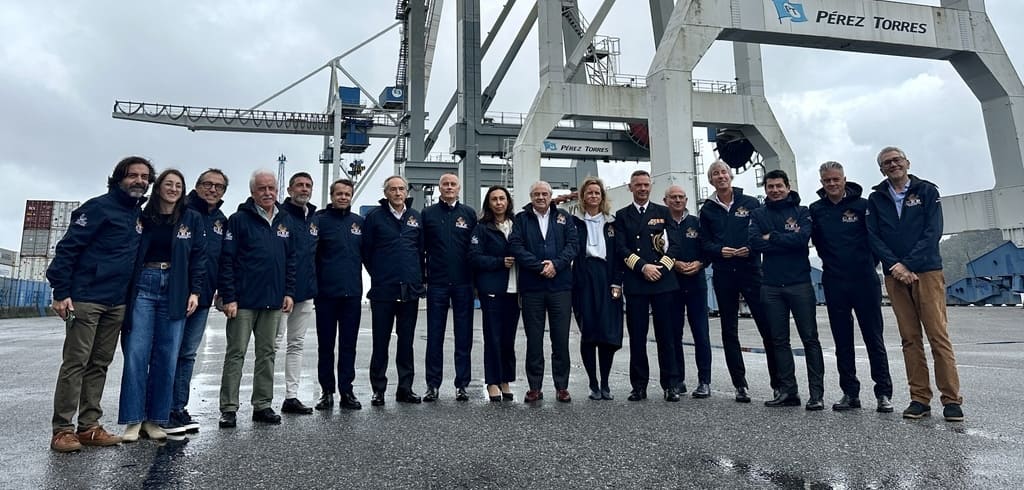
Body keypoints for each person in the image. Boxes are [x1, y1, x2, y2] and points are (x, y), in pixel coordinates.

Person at [46, 156, 153, 452]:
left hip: (116, 302)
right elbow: (68, 248)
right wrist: (60, 290)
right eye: (133, 175)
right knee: (75, 363)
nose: (140, 181)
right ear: (119, 178)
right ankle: (62, 430)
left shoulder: (138, 216)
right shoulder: (98, 208)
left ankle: (89, 426)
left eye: (145, 177)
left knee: (100, 364)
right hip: (86, 298)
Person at [866, 146, 964, 422]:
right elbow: (874, 236)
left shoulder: (927, 192)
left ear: (907, 162)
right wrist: (895, 266)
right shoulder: (876, 199)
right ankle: (919, 398)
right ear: (881, 169)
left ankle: (952, 400)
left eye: (897, 160)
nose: (893, 165)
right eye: (887, 163)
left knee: (938, 336)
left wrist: (907, 264)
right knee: (910, 339)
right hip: (895, 276)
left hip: (926, 272)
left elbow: (933, 231)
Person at [118, 169, 206, 441]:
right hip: (145, 282)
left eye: (178, 185)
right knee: (136, 352)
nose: (173, 188)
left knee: (167, 356)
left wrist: (195, 291)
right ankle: (133, 420)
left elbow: (199, 257)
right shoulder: (141, 216)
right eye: (168, 184)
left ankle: (156, 419)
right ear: (158, 188)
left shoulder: (191, 218)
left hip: (176, 287)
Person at [809, 161, 894, 413]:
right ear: (822, 182)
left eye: (836, 179)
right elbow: (817, 242)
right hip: (834, 281)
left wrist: (865, 264)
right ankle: (850, 392)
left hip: (864, 279)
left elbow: (875, 239)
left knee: (873, 338)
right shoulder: (816, 209)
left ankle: (883, 393)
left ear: (844, 179)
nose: (832, 184)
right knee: (842, 341)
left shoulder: (863, 206)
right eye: (827, 180)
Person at [217, 169, 296, 428]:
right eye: (262, 188)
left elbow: (291, 260)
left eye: (271, 188)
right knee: (236, 353)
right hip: (243, 301)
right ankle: (228, 408)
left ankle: (262, 404)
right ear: (252, 192)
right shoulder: (239, 220)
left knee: (267, 353)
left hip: (273, 300)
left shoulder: (285, 221)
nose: (267, 193)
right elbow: (226, 260)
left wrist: (289, 292)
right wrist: (229, 296)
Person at [698, 160, 778, 403]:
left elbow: (763, 234)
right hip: (724, 273)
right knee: (729, 330)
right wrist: (720, 250)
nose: (720, 176)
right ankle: (740, 384)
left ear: (730, 176)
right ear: (710, 180)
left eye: (723, 172)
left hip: (751, 271)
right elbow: (705, 242)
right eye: (715, 174)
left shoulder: (750, 203)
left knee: (767, 326)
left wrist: (750, 249)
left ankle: (779, 384)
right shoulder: (708, 210)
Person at [748, 169, 826, 410]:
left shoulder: (802, 212)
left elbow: (802, 240)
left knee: (810, 339)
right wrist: (780, 240)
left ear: (788, 186)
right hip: (771, 286)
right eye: (770, 186)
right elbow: (754, 243)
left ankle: (816, 394)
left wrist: (772, 237)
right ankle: (788, 392)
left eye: (779, 186)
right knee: (778, 341)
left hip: (799, 283)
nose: (775, 190)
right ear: (765, 189)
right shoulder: (758, 213)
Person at [168, 168, 229, 433]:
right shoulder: (179, 210)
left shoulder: (221, 220)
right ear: (196, 185)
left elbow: (225, 259)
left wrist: (223, 291)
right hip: (174, 294)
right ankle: (160, 408)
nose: (213, 190)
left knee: (188, 354)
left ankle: (178, 408)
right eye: (208, 184)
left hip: (202, 297)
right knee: (167, 352)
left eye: (219, 186)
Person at [614, 170, 682, 402]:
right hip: (637, 281)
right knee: (637, 337)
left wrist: (659, 269)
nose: (642, 189)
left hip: (663, 282)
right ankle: (639, 386)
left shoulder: (663, 212)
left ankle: (670, 385)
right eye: (638, 185)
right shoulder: (622, 216)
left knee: (667, 336)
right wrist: (643, 267)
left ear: (650, 186)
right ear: (630, 187)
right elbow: (621, 248)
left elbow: (674, 246)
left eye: (645, 185)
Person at [509, 181, 578, 403]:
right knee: (534, 339)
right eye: (536, 194)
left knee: (560, 338)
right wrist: (540, 266)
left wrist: (556, 265)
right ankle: (535, 387)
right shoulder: (521, 219)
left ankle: (562, 386)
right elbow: (516, 246)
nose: (541, 197)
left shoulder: (564, 218)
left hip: (560, 287)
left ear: (550, 196)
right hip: (533, 288)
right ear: (531, 196)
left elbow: (573, 245)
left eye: (544, 194)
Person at [363, 175, 425, 406]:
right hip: (383, 290)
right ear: (386, 192)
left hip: (409, 290)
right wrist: (379, 275)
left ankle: (405, 388)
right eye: (393, 189)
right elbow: (366, 252)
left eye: (401, 189)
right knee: (380, 342)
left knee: (406, 342)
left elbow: (420, 252)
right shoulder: (374, 218)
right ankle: (378, 389)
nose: (398, 193)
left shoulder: (415, 218)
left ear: (406, 192)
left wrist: (417, 279)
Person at [422, 173, 478, 402]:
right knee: (435, 336)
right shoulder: (428, 214)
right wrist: (423, 278)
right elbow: (420, 248)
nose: (449, 187)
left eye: (453, 184)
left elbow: (475, 248)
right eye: (445, 184)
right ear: (439, 187)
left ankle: (462, 385)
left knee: (463, 336)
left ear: (459, 187)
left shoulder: (468, 214)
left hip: (463, 283)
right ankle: (432, 385)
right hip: (437, 283)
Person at [313, 178, 364, 410]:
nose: (343, 197)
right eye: (339, 194)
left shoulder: (359, 223)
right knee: (326, 345)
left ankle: (347, 390)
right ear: (332, 196)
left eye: (347, 194)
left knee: (348, 345)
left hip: (352, 294)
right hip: (325, 294)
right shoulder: (319, 221)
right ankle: (327, 392)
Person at [571, 177, 623, 401]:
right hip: (583, 278)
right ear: (583, 197)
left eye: (597, 193)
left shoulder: (612, 223)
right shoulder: (575, 222)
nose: (593, 196)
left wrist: (617, 281)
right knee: (589, 331)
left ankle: (605, 382)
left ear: (602, 197)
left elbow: (619, 254)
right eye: (589, 193)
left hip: (606, 277)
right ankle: (593, 382)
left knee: (608, 332)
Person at [469, 186, 519, 402]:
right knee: (493, 338)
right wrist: (499, 262)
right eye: (494, 199)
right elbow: (473, 257)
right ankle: (492, 381)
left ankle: (505, 379)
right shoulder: (481, 228)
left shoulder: (518, 225)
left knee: (508, 339)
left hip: (515, 290)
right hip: (493, 290)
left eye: (502, 198)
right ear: (488, 204)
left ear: (508, 201)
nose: (499, 202)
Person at [663, 185, 712, 399]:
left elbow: (708, 249)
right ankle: (677, 380)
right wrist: (674, 264)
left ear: (686, 200)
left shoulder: (697, 223)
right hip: (671, 285)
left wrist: (700, 264)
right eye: (672, 197)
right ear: (665, 201)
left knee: (701, 333)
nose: (677, 200)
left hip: (696, 284)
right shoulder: (660, 224)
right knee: (674, 335)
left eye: (681, 197)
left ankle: (704, 381)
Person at [276, 172, 318, 415]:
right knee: (273, 345)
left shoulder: (313, 219)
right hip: (282, 293)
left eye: (308, 186)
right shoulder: (280, 217)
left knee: (297, 345)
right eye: (299, 185)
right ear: (290, 189)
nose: (304, 189)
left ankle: (291, 396)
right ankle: (263, 399)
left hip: (306, 292)